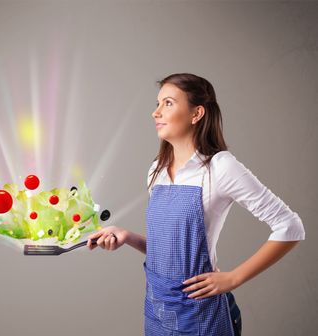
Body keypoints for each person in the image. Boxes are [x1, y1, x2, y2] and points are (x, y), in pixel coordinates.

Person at [86, 73, 305, 335]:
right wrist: (127, 236)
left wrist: (233, 278)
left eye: (168, 103)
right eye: (157, 104)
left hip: (201, 316)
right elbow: (172, 252)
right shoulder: (157, 170)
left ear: (196, 113)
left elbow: (290, 226)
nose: (155, 113)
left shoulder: (220, 167)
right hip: (159, 310)